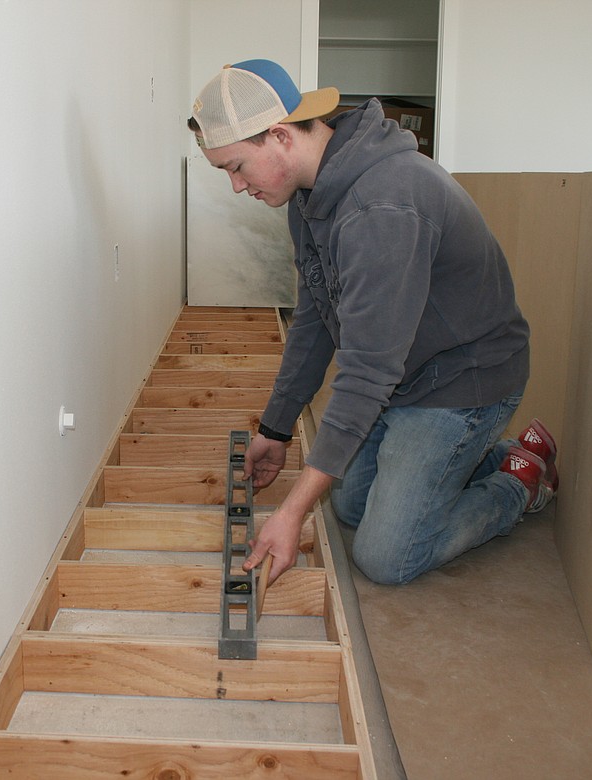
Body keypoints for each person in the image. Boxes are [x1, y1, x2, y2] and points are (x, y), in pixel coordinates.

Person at [188, 59, 559, 586]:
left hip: (463, 383)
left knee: (388, 557)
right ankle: (496, 453)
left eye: (236, 167)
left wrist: (291, 511)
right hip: (407, 377)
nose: (235, 186)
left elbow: (366, 372)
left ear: (279, 136)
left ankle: (517, 485)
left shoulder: (381, 206)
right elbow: (316, 314)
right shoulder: (310, 193)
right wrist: (276, 427)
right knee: (353, 508)